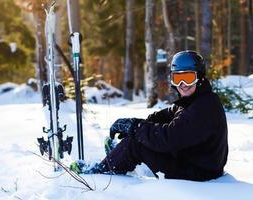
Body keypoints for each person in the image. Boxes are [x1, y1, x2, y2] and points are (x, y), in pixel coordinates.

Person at [71, 50, 228, 181]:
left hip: (198, 174)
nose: (182, 85)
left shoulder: (203, 108)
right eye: (178, 78)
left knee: (136, 144)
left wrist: (134, 127)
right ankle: (119, 155)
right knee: (142, 136)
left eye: (188, 78)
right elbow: (167, 114)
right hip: (193, 162)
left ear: (199, 78)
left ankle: (101, 173)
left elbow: (168, 139)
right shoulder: (196, 100)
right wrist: (137, 125)